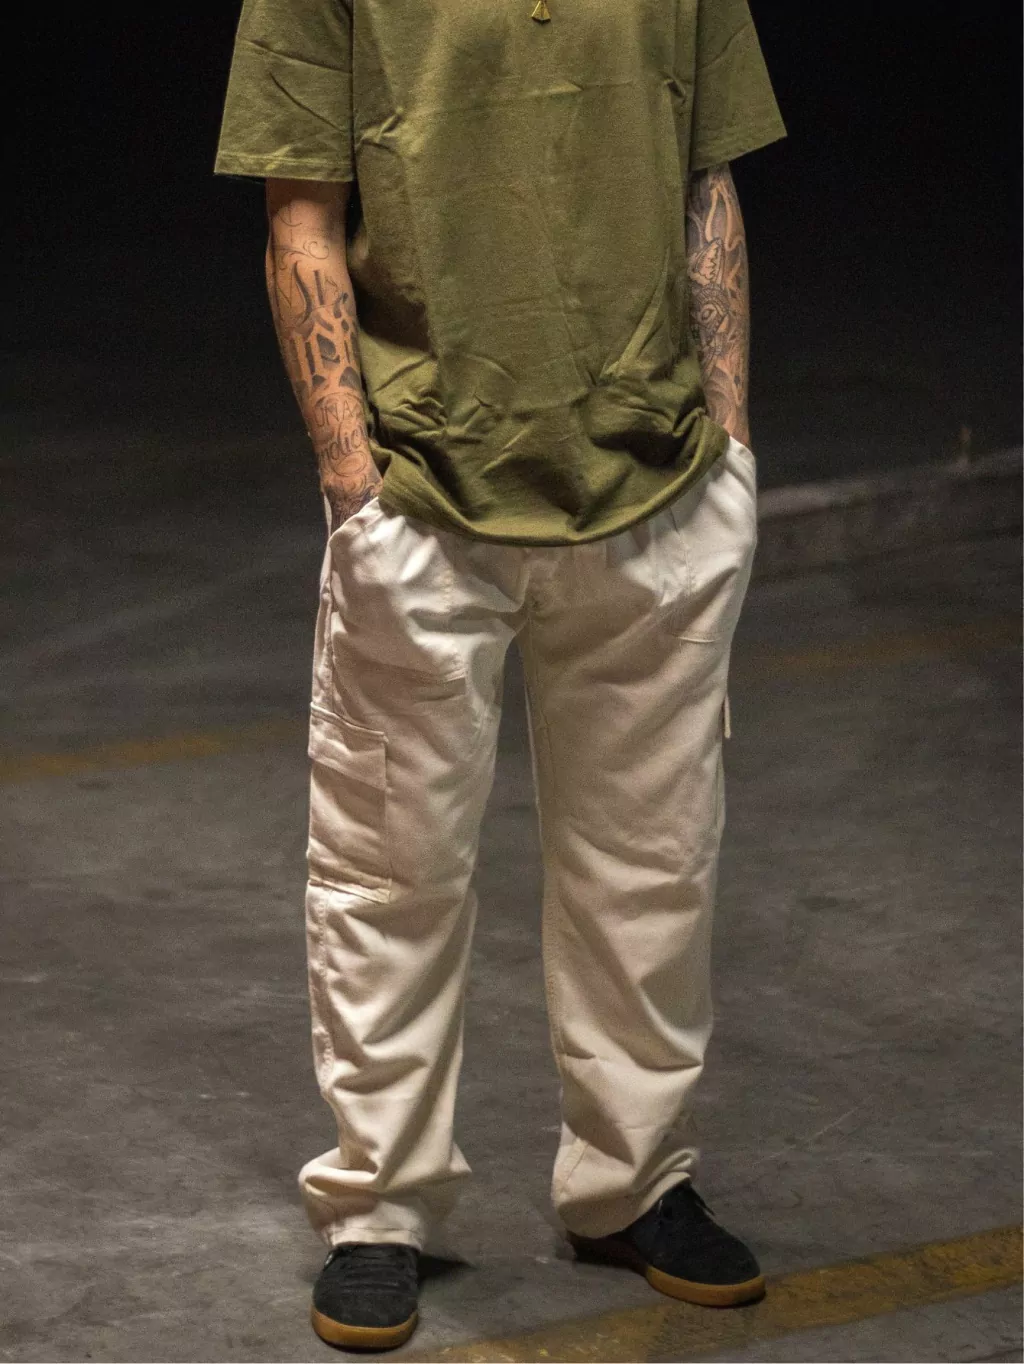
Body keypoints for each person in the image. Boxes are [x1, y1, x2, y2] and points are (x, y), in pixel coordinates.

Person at [215, 0, 785, 1349]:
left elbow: (706, 178)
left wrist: (730, 443)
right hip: (423, 496)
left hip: (657, 482)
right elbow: (302, 213)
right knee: (388, 875)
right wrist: (351, 484)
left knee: (653, 867)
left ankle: (635, 1185)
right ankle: (380, 1207)